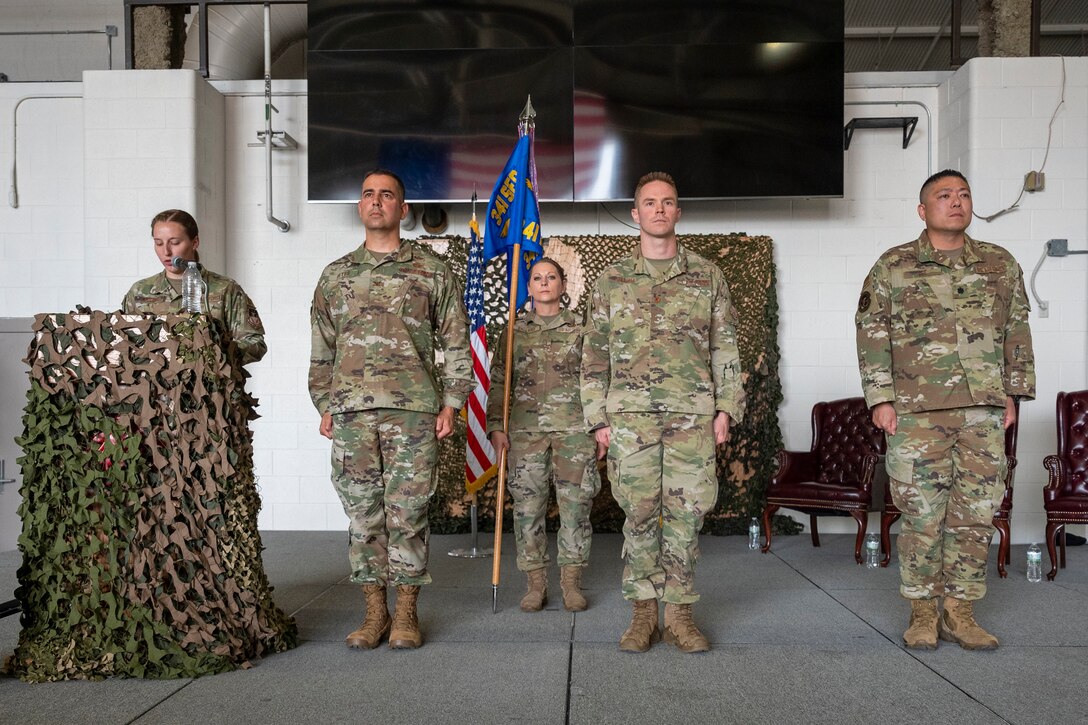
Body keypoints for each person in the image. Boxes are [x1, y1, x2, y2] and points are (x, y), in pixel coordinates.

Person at [856, 169, 1035, 651]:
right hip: (916, 414)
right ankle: (921, 613)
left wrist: (1013, 397)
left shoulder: (1000, 264)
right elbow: (872, 334)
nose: (956, 202)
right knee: (920, 515)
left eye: (964, 194)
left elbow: (1016, 332)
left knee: (975, 513)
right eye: (943, 195)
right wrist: (881, 399)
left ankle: (961, 613)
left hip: (983, 411)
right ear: (922, 210)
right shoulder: (893, 265)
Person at [308, 169, 473, 650]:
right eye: (367, 194)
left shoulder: (431, 271)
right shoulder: (336, 275)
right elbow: (322, 347)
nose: (376, 201)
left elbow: (456, 340)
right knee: (363, 515)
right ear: (360, 207)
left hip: (414, 413)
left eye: (387, 195)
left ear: (403, 209)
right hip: (352, 412)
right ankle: (373, 613)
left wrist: (453, 401)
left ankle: (405, 615)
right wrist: (324, 402)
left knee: (409, 512)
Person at [581, 172, 745, 653]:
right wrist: (599, 418)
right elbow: (593, 356)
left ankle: (680, 615)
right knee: (639, 515)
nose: (658, 210)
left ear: (678, 212)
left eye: (667, 202)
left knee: (686, 516)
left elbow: (726, 347)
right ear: (635, 214)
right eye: (648, 203)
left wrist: (725, 409)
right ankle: (641, 614)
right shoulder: (612, 280)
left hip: (691, 416)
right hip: (629, 419)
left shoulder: (706, 274)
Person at [488, 258, 600, 613]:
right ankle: (536, 585)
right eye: (537, 278)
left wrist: (598, 427)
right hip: (525, 432)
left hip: (575, 432)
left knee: (576, 509)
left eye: (551, 277)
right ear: (529, 286)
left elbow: (596, 381)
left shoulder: (583, 329)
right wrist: (496, 427)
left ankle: (571, 585)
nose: (545, 283)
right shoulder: (513, 331)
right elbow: (499, 383)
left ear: (563, 285)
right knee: (527, 510)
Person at [121, 209, 266, 365]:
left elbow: (255, 343)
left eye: (175, 242)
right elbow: (123, 341)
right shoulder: (139, 292)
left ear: (194, 242)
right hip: (157, 387)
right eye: (158, 243)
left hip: (211, 385)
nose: (166, 251)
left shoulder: (225, 289)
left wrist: (218, 353)